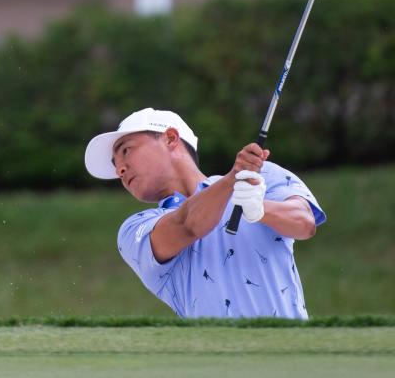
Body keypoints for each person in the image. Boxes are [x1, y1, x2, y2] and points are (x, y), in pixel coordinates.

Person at [84, 108, 325, 318]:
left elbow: (305, 223)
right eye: (116, 165)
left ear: (170, 138)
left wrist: (262, 210)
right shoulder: (135, 229)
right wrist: (232, 180)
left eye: (126, 151)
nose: (120, 169)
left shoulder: (262, 176)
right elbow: (187, 225)